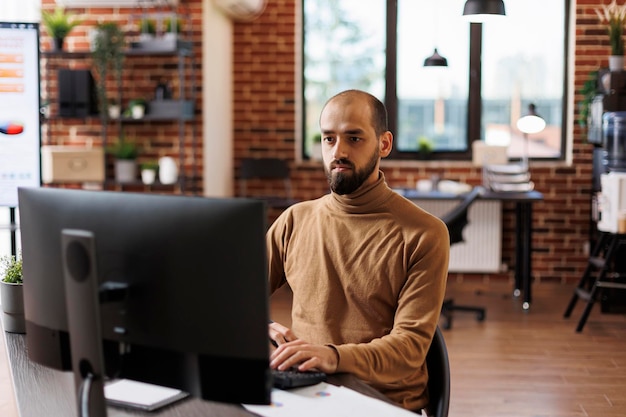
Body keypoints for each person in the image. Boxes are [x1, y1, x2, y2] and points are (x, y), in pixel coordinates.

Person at [266, 89, 449, 412]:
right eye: (329, 139)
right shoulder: (295, 220)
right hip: (304, 390)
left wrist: (332, 356)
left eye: (354, 138)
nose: (338, 151)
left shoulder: (425, 234)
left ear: (384, 144)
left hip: (382, 400)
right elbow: (232, 299)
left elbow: (409, 349)